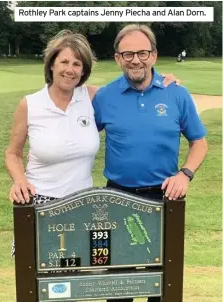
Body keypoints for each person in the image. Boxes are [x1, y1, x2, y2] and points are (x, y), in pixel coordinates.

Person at [92, 25, 207, 302]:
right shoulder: (105, 97)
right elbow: (80, 137)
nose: (135, 59)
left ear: (154, 55)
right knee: (119, 285)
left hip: (165, 197)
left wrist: (185, 174)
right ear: (118, 58)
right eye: (128, 53)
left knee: (161, 284)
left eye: (142, 52)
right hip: (116, 197)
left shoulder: (177, 93)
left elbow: (199, 142)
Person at [5, 30, 178, 205]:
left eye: (77, 64)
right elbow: (13, 153)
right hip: (39, 199)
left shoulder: (92, 96)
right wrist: (20, 181)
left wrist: (159, 79)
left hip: (84, 201)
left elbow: (128, 88)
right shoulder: (30, 104)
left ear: (83, 71)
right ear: (51, 65)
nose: (69, 70)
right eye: (64, 62)